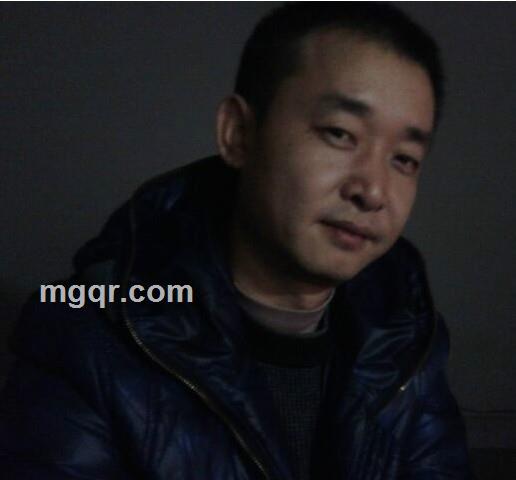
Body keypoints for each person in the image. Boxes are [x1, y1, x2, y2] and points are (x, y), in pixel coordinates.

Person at [0, 3, 474, 479]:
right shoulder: (85, 330)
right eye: (339, 133)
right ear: (238, 134)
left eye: (405, 159)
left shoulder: (406, 332)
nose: (372, 190)